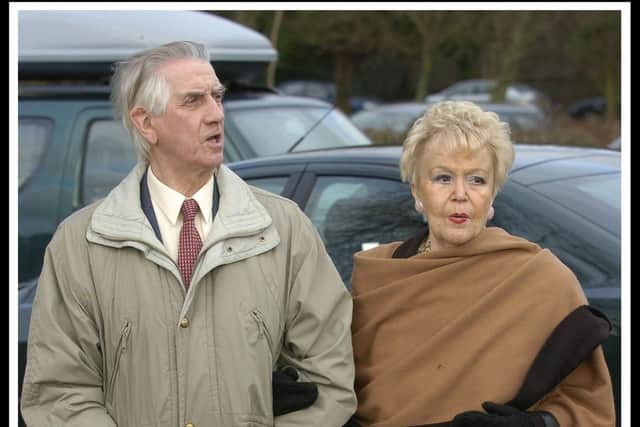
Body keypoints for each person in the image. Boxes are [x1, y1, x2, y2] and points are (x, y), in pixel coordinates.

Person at [20, 41, 356, 426]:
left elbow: (330, 376)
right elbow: (60, 393)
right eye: (194, 101)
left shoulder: (285, 229)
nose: (215, 114)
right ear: (146, 123)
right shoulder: (80, 244)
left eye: (217, 97)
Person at [348, 101, 615, 427]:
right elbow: (340, 389)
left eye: (476, 180)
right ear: (417, 190)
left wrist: (536, 424)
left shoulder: (543, 279)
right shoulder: (378, 276)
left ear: (493, 194)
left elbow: (590, 406)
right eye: (443, 178)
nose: (461, 194)